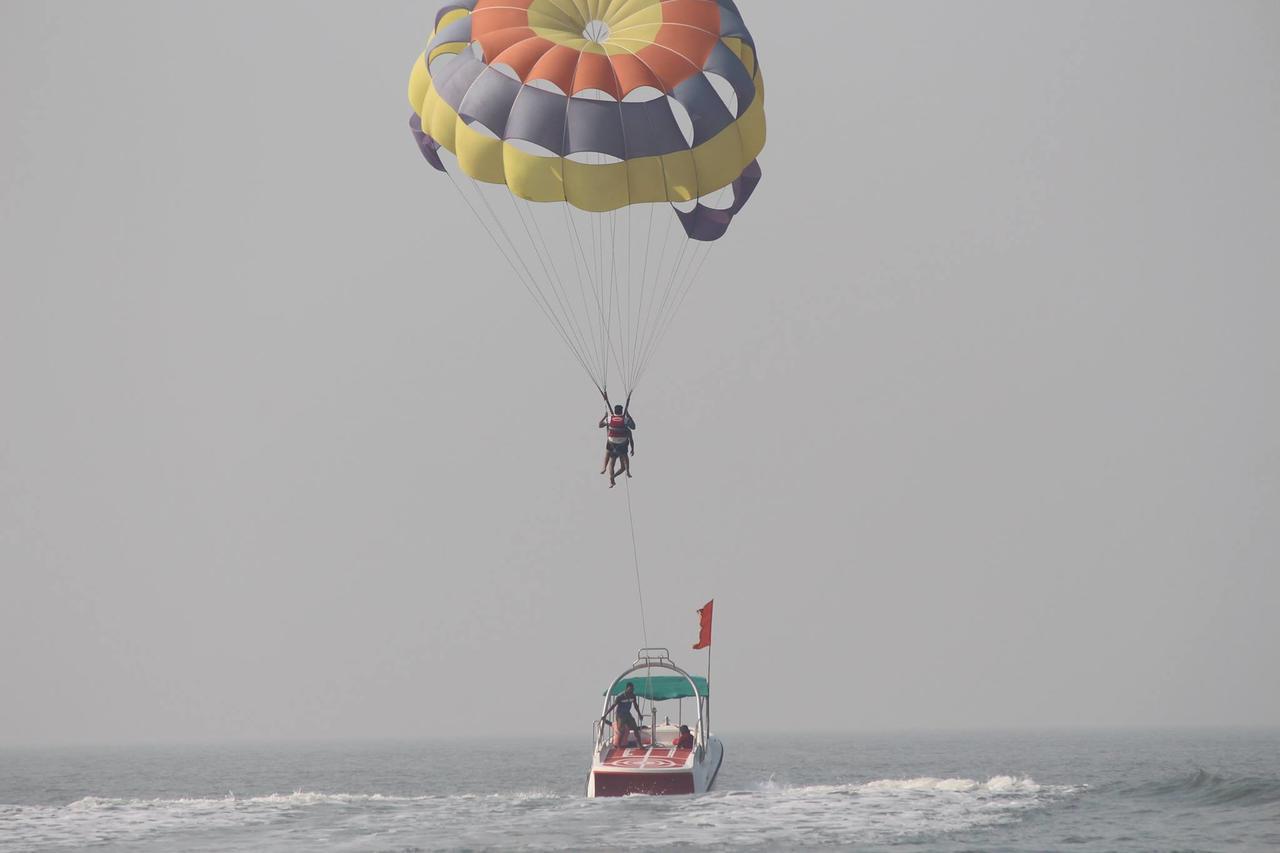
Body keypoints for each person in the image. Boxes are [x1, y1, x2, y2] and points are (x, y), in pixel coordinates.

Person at [597, 402, 636, 487]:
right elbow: (633, 427)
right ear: (622, 412)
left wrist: (605, 416)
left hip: (612, 444)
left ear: (614, 411)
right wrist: (629, 416)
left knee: (610, 459)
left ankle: (604, 468)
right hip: (622, 445)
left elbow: (600, 425)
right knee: (624, 459)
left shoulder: (610, 419)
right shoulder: (625, 419)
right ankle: (627, 472)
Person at [602, 682, 645, 749]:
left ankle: (640, 745)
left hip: (627, 714)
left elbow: (635, 705)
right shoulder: (620, 696)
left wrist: (639, 714)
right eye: (630, 689)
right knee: (622, 730)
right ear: (626, 688)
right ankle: (619, 745)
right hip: (620, 715)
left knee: (635, 728)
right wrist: (605, 715)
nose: (631, 691)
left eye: (632, 689)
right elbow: (613, 706)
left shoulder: (633, 696)